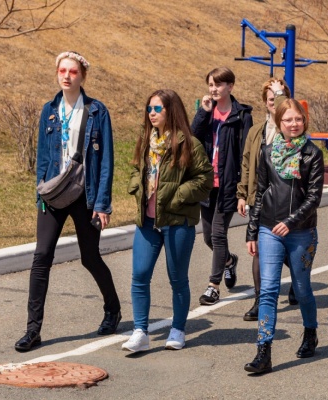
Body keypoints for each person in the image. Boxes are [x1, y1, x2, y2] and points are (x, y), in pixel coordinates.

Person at [15, 51, 121, 352]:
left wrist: (102, 204)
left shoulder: (97, 111)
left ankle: (113, 309)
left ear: (82, 76)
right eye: (62, 71)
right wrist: (40, 192)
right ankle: (32, 330)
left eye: (73, 72)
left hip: (85, 194)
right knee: (41, 257)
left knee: (90, 257)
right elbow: (43, 156)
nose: (66, 76)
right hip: (54, 192)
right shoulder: (49, 110)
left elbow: (106, 161)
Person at [122, 89, 213, 353]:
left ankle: (178, 329)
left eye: (157, 109)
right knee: (140, 275)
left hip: (177, 221)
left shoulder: (189, 144)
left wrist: (178, 195)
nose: (151, 113)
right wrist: (136, 186)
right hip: (147, 222)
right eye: (149, 108)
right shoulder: (146, 140)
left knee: (177, 279)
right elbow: (136, 168)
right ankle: (140, 332)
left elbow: (205, 179)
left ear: (170, 111)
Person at [244, 99, 324, 375]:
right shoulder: (267, 152)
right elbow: (260, 192)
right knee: (268, 290)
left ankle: (310, 332)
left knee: (301, 289)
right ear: (279, 122)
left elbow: (314, 197)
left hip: (301, 231)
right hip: (269, 229)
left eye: (298, 119)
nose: (294, 124)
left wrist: (290, 222)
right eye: (288, 119)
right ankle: (263, 350)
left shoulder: (312, 154)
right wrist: (252, 231)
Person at [192, 66, 253, 305]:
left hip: (229, 185)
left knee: (218, 234)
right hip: (208, 184)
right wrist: (202, 112)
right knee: (208, 238)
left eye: (218, 84)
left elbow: (247, 154)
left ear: (230, 86)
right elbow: (192, 138)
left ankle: (213, 286)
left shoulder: (242, 116)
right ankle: (229, 261)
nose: (213, 89)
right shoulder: (207, 112)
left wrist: (243, 191)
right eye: (210, 84)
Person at [236, 78, 296, 321]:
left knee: (289, 248)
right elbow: (246, 164)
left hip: (286, 200)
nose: (274, 103)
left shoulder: (290, 128)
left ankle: (299, 280)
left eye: (277, 98)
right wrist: (242, 194)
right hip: (260, 199)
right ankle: (260, 300)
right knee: (260, 250)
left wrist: (281, 95)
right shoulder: (255, 132)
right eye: (270, 99)